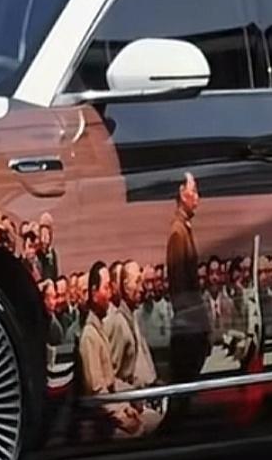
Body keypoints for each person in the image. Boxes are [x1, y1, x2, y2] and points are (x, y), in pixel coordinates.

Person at [77, 262, 142, 439]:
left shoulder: (98, 329)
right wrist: (122, 416)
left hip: (109, 415)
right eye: (106, 288)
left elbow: (111, 384)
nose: (110, 294)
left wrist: (126, 406)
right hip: (101, 425)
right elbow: (98, 393)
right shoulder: (89, 336)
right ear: (94, 292)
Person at [109, 261, 164, 435]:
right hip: (132, 406)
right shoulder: (118, 322)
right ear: (126, 287)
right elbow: (111, 377)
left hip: (145, 398)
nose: (142, 288)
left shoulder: (132, 317)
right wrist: (132, 398)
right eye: (137, 282)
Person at [167, 171, 209, 383]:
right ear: (183, 194)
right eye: (194, 191)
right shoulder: (178, 232)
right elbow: (180, 286)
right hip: (188, 326)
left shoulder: (184, 229)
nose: (198, 198)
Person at [36, 216, 58, 284]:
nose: (45, 239)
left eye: (47, 235)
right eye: (43, 235)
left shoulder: (52, 252)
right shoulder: (37, 253)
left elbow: (55, 272)